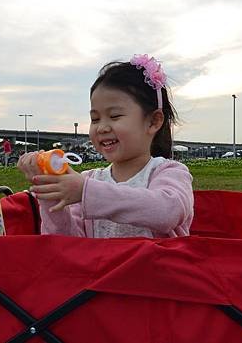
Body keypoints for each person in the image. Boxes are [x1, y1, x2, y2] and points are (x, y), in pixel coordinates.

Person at [18, 54, 194, 238]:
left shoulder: (170, 172)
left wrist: (86, 192)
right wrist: (53, 196)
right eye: (95, 119)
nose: (101, 127)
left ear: (153, 122)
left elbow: (167, 212)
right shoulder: (90, 179)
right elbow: (67, 243)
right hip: (101, 267)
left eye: (115, 116)